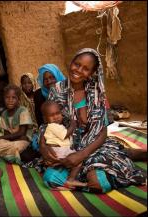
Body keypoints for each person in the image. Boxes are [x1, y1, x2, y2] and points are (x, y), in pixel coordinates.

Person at [40, 48, 146, 193]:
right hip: (67, 148)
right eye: (77, 64)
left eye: (86, 69)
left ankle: (121, 156)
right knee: (50, 178)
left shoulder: (95, 91)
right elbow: (49, 124)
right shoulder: (57, 90)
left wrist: (81, 155)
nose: (78, 70)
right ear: (71, 63)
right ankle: (88, 172)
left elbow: (102, 130)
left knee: (97, 183)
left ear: (92, 72)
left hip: (94, 146)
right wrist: (44, 147)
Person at [41, 100, 87, 188]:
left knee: (71, 160)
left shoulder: (57, 126)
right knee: (78, 160)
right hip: (59, 150)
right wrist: (73, 124)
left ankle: (64, 173)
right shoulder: (53, 126)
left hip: (59, 150)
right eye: (51, 115)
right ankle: (71, 180)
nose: (56, 117)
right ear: (45, 119)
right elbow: (65, 134)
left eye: (57, 113)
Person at [0, 84, 33, 164]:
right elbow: (7, 133)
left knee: (16, 146)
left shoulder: (22, 111)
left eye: (13, 98)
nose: (10, 100)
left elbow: (22, 133)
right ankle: (11, 155)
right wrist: (4, 139)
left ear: (18, 99)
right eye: (7, 97)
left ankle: (5, 154)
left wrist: (2, 137)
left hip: (23, 141)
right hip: (12, 141)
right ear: (4, 99)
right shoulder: (4, 114)